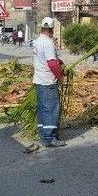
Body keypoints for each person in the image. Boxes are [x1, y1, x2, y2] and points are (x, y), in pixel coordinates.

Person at [32, 17, 66, 147]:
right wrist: (60, 77)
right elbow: (51, 63)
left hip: (39, 80)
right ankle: (50, 138)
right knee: (51, 110)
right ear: (52, 30)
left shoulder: (37, 41)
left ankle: (43, 134)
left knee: (43, 109)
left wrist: (59, 61)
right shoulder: (48, 43)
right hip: (48, 82)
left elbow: (46, 59)